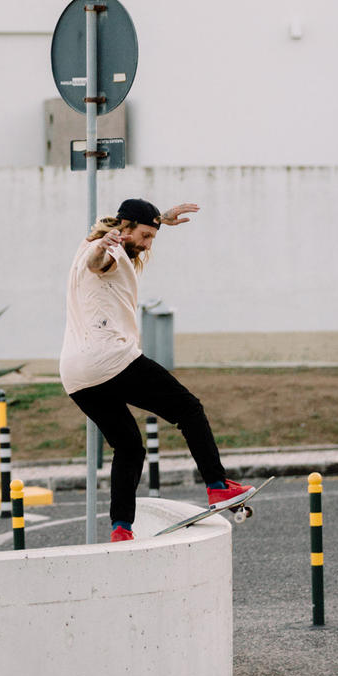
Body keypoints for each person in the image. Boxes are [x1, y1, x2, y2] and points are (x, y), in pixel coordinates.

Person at [59, 198, 253, 542]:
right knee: (188, 409)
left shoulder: (89, 243)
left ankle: (121, 528)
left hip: (76, 375)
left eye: (152, 238)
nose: (148, 245)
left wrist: (160, 219)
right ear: (124, 229)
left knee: (129, 447)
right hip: (110, 357)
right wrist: (104, 247)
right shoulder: (108, 249)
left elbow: (117, 238)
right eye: (145, 237)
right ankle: (218, 486)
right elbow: (97, 263)